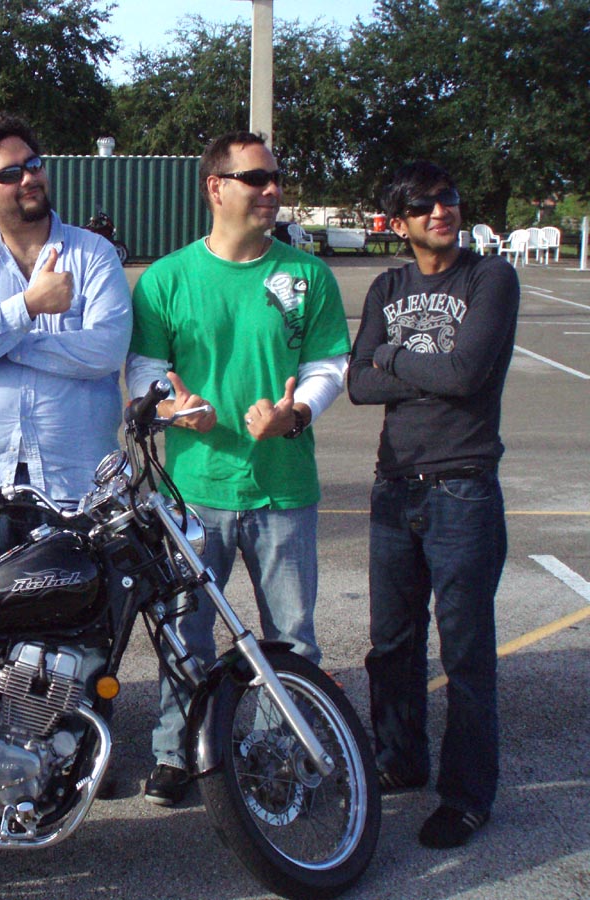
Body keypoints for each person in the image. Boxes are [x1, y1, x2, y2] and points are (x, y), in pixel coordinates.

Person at [127, 131, 350, 806]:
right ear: (216, 187)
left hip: (284, 490)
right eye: (256, 179)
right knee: (185, 634)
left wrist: (296, 414)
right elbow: (144, 367)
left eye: (276, 178)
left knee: (292, 641)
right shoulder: (167, 279)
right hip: (195, 493)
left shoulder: (306, 276)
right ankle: (176, 754)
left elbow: (327, 365)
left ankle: (277, 756)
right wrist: (173, 406)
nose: (272, 190)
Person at [348, 161, 518, 850]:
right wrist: (413, 371)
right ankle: (400, 759)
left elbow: (467, 372)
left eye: (447, 199)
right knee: (392, 643)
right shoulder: (387, 287)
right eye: (422, 205)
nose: (440, 211)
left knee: (466, 651)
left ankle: (467, 796)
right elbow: (358, 383)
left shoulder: (489, 278)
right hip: (395, 486)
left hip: (463, 488)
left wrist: (392, 358)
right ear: (399, 223)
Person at [0, 112, 133, 601]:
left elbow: (104, 351)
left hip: (74, 487)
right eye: (10, 174)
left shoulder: (94, 254)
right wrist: (28, 307)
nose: (29, 178)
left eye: (33, 164)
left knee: (72, 636)